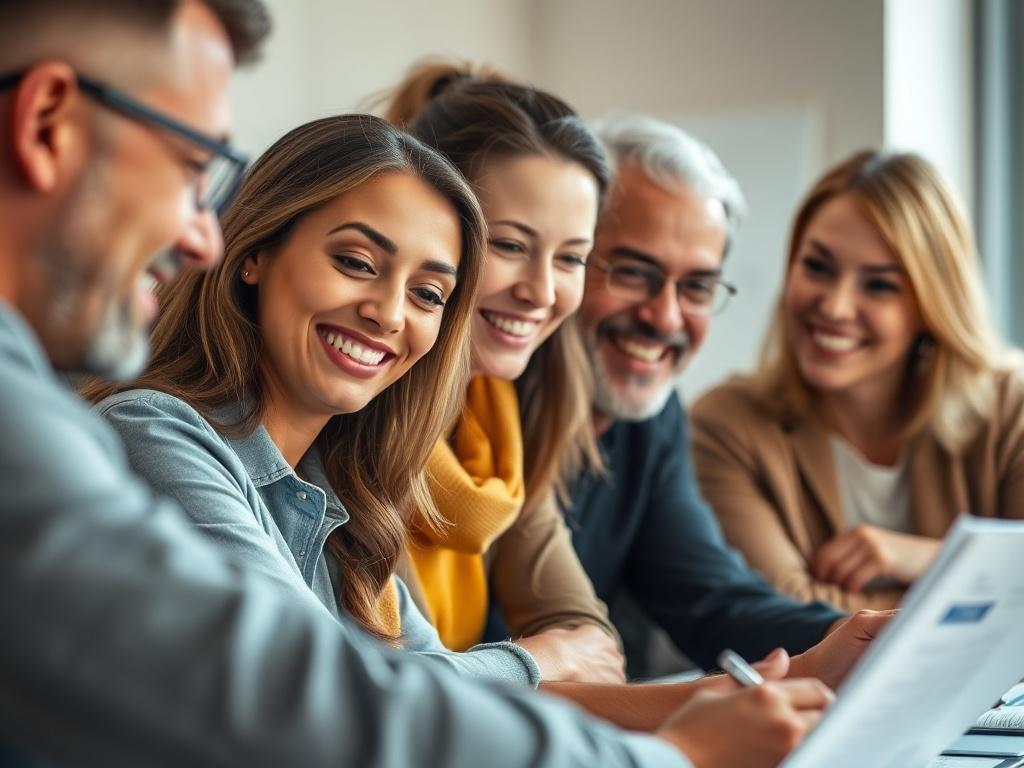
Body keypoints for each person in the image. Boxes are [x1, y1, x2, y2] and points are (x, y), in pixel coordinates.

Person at [0, 3, 829, 766]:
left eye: (431, 293)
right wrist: (675, 753)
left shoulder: (346, 486)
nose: (198, 234)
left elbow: (419, 684)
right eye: (191, 167)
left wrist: (707, 705)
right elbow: (310, 702)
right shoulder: (154, 433)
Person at [88, 112, 555, 686]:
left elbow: (437, 716)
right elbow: (324, 690)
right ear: (255, 252)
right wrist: (540, 665)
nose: (388, 313)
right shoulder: (151, 433)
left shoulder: (344, 503)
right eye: (356, 263)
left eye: (427, 294)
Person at [483, 113, 890, 684]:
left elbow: (710, 600)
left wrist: (860, 637)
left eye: (697, 287)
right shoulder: (478, 409)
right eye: (633, 272)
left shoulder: (650, 421)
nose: (665, 317)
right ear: (567, 260)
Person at [691, 149, 1024, 612]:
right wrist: (986, 593)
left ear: (933, 304)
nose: (835, 306)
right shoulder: (726, 423)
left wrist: (932, 559)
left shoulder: (1012, 406)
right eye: (818, 267)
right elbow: (785, 613)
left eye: (880, 285)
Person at [385, 62, 625, 684]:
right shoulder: (350, 409)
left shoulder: (498, 418)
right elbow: (398, 687)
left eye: (571, 258)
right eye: (512, 246)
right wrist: (542, 661)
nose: (542, 292)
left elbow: (585, 636)